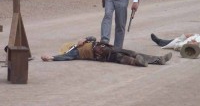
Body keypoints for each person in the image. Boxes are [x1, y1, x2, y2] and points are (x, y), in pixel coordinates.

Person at [41, 36, 172, 67]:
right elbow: (66, 57)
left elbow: (92, 37)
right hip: (99, 52)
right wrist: (52, 57)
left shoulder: (85, 42)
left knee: (124, 54)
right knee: (122, 55)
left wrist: (84, 39)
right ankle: (146, 61)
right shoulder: (74, 51)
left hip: (102, 49)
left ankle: (155, 60)